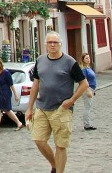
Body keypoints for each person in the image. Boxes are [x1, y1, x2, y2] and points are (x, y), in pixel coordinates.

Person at [26, 32, 89, 173]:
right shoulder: (40, 60)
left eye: (55, 42)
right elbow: (35, 85)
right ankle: (55, 165)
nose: (52, 45)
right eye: (50, 43)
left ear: (60, 44)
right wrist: (29, 108)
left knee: (60, 145)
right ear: (45, 45)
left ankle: (59, 170)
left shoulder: (69, 62)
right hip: (42, 107)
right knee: (38, 140)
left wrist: (71, 100)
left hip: (61, 109)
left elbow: (84, 84)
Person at [0, 57, 23, 133]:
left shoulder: (6, 73)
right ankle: (19, 123)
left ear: (0, 65)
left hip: (5, 94)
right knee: (7, 110)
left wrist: (16, 95)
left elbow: (11, 85)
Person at [80, 52, 97, 130]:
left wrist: (93, 90)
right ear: (83, 60)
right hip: (87, 88)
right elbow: (84, 81)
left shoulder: (89, 68)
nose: (88, 59)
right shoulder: (84, 69)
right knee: (87, 107)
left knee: (89, 106)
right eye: (86, 58)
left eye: (89, 58)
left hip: (92, 88)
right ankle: (87, 124)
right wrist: (88, 90)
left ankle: (88, 123)